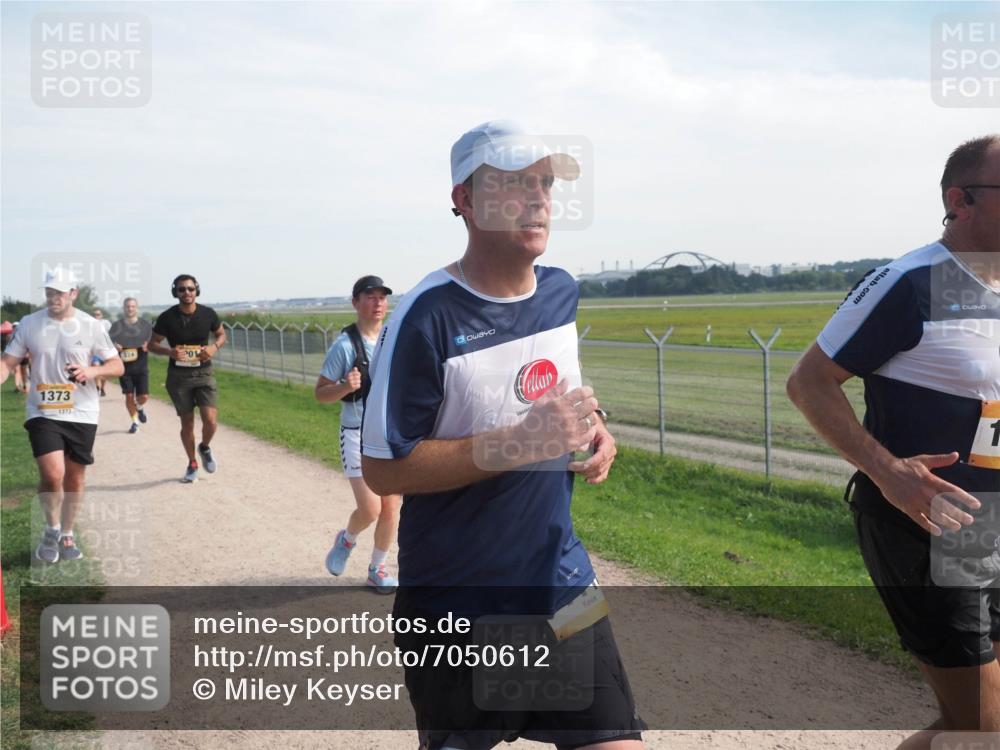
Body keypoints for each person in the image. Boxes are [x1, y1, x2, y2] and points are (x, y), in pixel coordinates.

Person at [361, 121, 644, 750]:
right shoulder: (425, 316)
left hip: (559, 579)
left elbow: (560, 401)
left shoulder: (560, 292)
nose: (539, 198)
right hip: (456, 601)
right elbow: (384, 469)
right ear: (463, 199)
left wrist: (592, 428)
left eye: (543, 183)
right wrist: (523, 441)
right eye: (514, 184)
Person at [787, 135, 1000, 747]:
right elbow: (809, 383)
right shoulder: (908, 283)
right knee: (979, 730)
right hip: (929, 526)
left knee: (976, 726)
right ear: (960, 200)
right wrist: (889, 472)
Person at [0, 267, 123, 563]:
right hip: (43, 410)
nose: (53, 297)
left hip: (82, 411)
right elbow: (7, 362)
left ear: (73, 294)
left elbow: (117, 365)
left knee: (75, 478)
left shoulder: (90, 325)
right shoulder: (30, 324)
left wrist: (92, 370)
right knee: (53, 473)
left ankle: (67, 532)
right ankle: (52, 528)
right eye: (49, 292)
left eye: (59, 292)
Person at [314, 275, 401, 593]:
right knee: (371, 509)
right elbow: (320, 394)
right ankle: (347, 539)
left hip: (389, 435)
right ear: (355, 302)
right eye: (370, 296)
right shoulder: (344, 346)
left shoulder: (393, 338)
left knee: (392, 508)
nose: (378, 302)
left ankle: (377, 568)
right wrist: (344, 387)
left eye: (382, 297)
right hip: (356, 434)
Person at [149, 274, 226, 483]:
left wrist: (213, 347)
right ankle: (192, 463)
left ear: (197, 290)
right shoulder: (166, 318)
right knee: (188, 423)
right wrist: (169, 352)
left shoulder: (208, 314)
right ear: (176, 292)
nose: (187, 293)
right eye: (182, 289)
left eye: (190, 289)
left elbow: (221, 335)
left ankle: (205, 447)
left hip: (204, 373)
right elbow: (152, 344)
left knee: (210, 420)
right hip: (178, 377)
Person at [109, 297, 154, 434]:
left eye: (133, 306)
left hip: (141, 366)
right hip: (124, 368)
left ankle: (139, 407)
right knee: (129, 396)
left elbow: (153, 341)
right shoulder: (116, 326)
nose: (130, 309)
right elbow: (108, 342)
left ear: (137, 308)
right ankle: (135, 422)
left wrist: (148, 345)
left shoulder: (145, 325)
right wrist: (115, 346)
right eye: (127, 306)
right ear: (124, 308)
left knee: (144, 396)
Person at [91, 309, 112, 397]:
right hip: (95, 350)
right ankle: (97, 387)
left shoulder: (106, 324)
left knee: (104, 372)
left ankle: (102, 388)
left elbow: (112, 335)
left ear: (101, 315)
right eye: (95, 314)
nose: (96, 316)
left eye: (98, 314)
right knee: (96, 368)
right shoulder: (89, 324)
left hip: (105, 350)